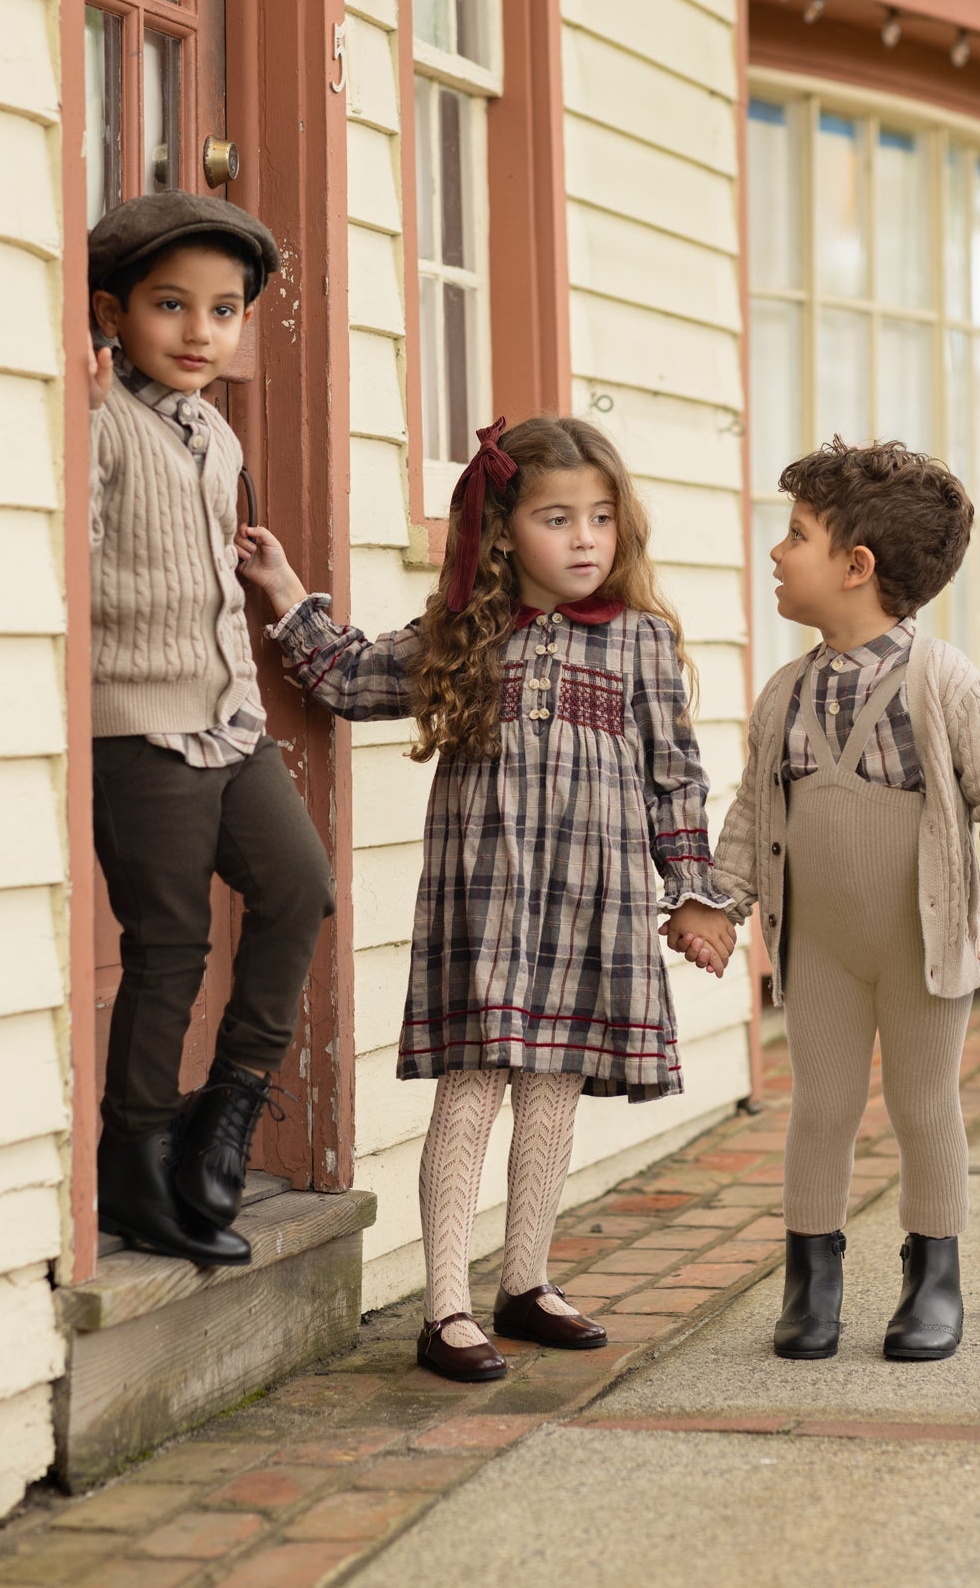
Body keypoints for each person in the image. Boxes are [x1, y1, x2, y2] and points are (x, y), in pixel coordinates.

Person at [238, 414, 736, 1381]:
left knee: (551, 1093)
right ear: (505, 532)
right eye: (559, 518)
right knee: (472, 1093)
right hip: (488, 899)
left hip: (590, 902)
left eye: (601, 517)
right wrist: (287, 593)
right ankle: (445, 1308)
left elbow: (675, 779)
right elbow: (347, 678)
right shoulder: (465, 635)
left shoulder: (639, 644)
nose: (586, 538)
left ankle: (527, 1280)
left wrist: (694, 894)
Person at [679, 439, 980, 1363]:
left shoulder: (946, 683)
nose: (775, 552)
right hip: (823, 947)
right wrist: (721, 905)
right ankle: (813, 1279)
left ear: (856, 568)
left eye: (794, 535)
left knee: (925, 1107)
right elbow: (755, 808)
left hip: (921, 944)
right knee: (823, 1106)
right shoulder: (785, 693)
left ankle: (934, 1275)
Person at [87, 190, 335, 1269]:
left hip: (228, 714)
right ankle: (135, 1156)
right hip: (138, 722)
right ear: (112, 311)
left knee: (299, 885)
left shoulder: (214, 429)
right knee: (171, 941)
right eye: (170, 305)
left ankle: (227, 1103)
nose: (199, 332)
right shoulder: (99, 421)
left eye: (224, 310)